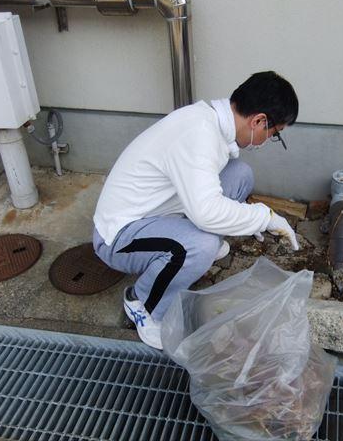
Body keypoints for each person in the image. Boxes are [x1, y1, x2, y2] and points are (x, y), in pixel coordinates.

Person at [93, 71, 300, 349]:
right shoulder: (198, 134)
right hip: (118, 236)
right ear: (259, 121)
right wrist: (265, 218)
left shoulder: (210, 123)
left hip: (157, 212)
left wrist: (251, 220)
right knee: (200, 246)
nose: (267, 140)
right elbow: (207, 212)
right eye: (274, 134)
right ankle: (142, 303)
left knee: (239, 174)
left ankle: (190, 252)